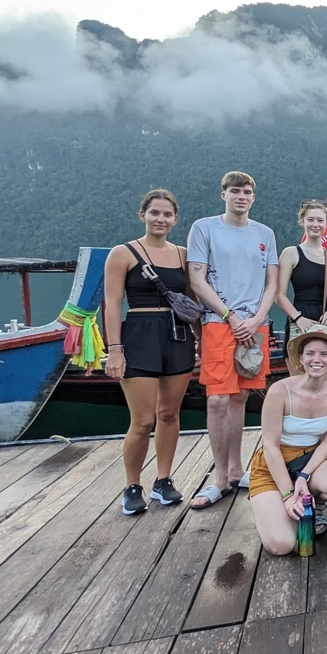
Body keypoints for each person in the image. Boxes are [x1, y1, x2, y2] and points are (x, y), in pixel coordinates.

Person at [187, 171, 279, 510]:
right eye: (235, 191)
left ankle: (237, 470)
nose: (241, 197)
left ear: (254, 198)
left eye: (247, 192)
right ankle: (218, 477)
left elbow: (272, 282)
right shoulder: (205, 228)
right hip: (218, 322)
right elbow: (197, 280)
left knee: (241, 396)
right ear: (223, 194)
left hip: (255, 326)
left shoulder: (264, 233)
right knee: (216, 401)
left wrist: (255, 319)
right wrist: (230, 316)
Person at [103, 189, 197, 516]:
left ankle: (164, 479)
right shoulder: (123, 253)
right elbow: (112, 305)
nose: (161, 219)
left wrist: (204, 341)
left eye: (167, 214)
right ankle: (132, 485)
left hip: (177, 335)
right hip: (139, 334)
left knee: (169, 414)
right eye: (155, 213)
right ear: (142, 214)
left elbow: (192, 302)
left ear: (175, 219)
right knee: (142, 420)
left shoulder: (184, 255)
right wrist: (114, 350)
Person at [249, 325, 327, 554]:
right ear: (300, 359)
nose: (316, 359)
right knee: (281, 546)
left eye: (324, 354)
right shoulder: (279, 390)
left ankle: (310, 505)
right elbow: (270, 445)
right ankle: (275, 504)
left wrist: (304, 477)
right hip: (271, 466)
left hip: (307, 461)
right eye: (310, 353)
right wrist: (287, 494)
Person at [277, 200, 327, 343]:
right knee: (299, 362)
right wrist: (298, 318)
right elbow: (279, 295)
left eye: (320, 220)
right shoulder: (291, 253)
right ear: (303, 221)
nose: (315, 224)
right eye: (310, 219)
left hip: (326, 320)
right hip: (300, 317)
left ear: (326, 223)